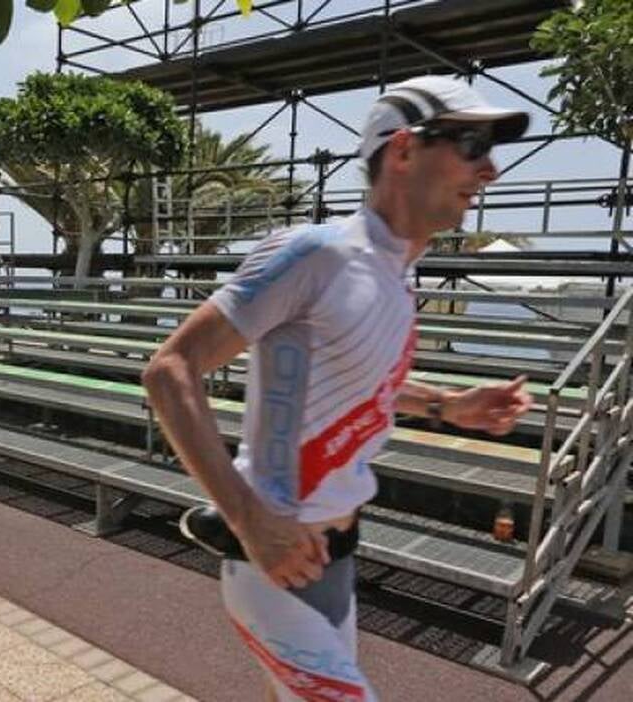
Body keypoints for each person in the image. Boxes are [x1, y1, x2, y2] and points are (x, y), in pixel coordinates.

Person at [142, 76, 535, 702]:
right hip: (275, 556)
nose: (490, 169)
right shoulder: (316, 253)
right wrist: (249, 519)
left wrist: (444, 405)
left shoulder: (397, 279)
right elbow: (171, 369)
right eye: (470, 144)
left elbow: (365, 382)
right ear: (403, 150)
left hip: (337, 557)